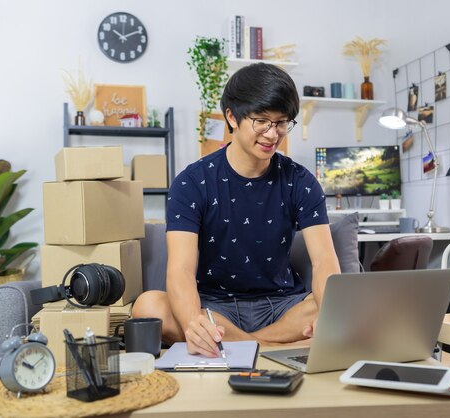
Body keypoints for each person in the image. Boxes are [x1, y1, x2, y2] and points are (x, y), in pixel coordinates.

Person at [132, 63, 340, 357]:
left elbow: (324, 262)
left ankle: (243, 345)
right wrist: (194, 322)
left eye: (281, 123)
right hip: (216, 307)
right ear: (232, 116)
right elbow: (180, 270)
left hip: (282, 307)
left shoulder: (300, 181)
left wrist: (331, 313)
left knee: (342, 306)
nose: (273, 134)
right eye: (261, 121)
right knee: (148, 307)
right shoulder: (192, 182)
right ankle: (271, 347)